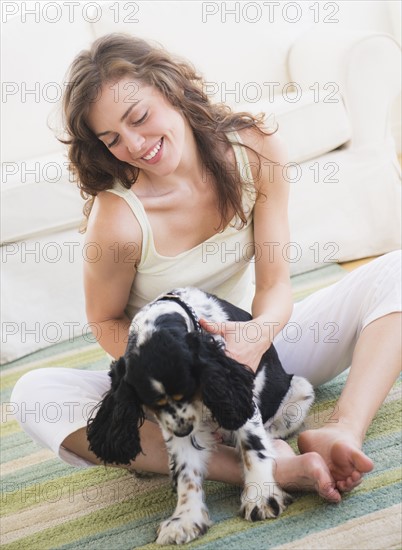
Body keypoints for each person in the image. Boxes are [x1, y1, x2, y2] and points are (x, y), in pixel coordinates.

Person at [11, 34, 401, 504]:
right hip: (175, 383)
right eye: (112, 139)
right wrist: (182, 378)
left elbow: (276, 284)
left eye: (139, 117)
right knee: (35, 395)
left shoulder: (254, 149)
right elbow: (104, 321)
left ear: (171, 88)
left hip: (255, 353)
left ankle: (341, 431)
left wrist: (256, 338)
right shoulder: (117, 219)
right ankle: (258, 468)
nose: (134, 145)